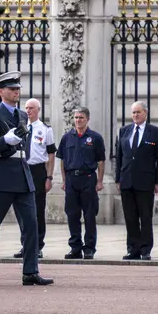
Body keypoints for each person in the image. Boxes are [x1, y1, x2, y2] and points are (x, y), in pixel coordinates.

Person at [0, 72, 52, 286]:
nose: (16, 91)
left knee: (31, 224)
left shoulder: (22, 116)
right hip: (3, 174)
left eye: (17, 88)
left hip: (22, 173)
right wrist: (5, 140)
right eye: (11, 88)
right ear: (0, 92)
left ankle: (30, 270)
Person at [115, 101, 158, 260]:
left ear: (145, 113)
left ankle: (145, 249)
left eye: (138, 112)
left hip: (145, 181)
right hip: (127, 180)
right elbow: (120, 157)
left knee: (145, 216)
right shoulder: (124, 130)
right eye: (133, 112)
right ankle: (132, 248)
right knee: (130, 217)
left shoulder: (155, 132)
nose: (135, 115)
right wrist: (118, 179)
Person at [57, 106, 106, 260]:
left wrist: (100, 181)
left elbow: (101, 161)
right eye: (76, 117)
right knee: (72, 214)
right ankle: (75, 247)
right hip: (72, 179)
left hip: (88, 179)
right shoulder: (67, 137)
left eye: (81, 118)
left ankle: (89, 248)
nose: (78, 120)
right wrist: (64, 180)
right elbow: (63, 161)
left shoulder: (95, 138)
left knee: (90, 215)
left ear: (87, 119)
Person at [14, 98, 56, 259]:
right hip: (21, 167)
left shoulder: (45, 129)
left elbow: (51, 154)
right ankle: (25, 243)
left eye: (31, 108)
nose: (28, 111)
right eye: (26, 108)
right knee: (20, 208)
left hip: (37, 169)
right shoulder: (20, 128)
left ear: (38, 110)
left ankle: (38, 245)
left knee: (37, 209)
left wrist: (49, 177)